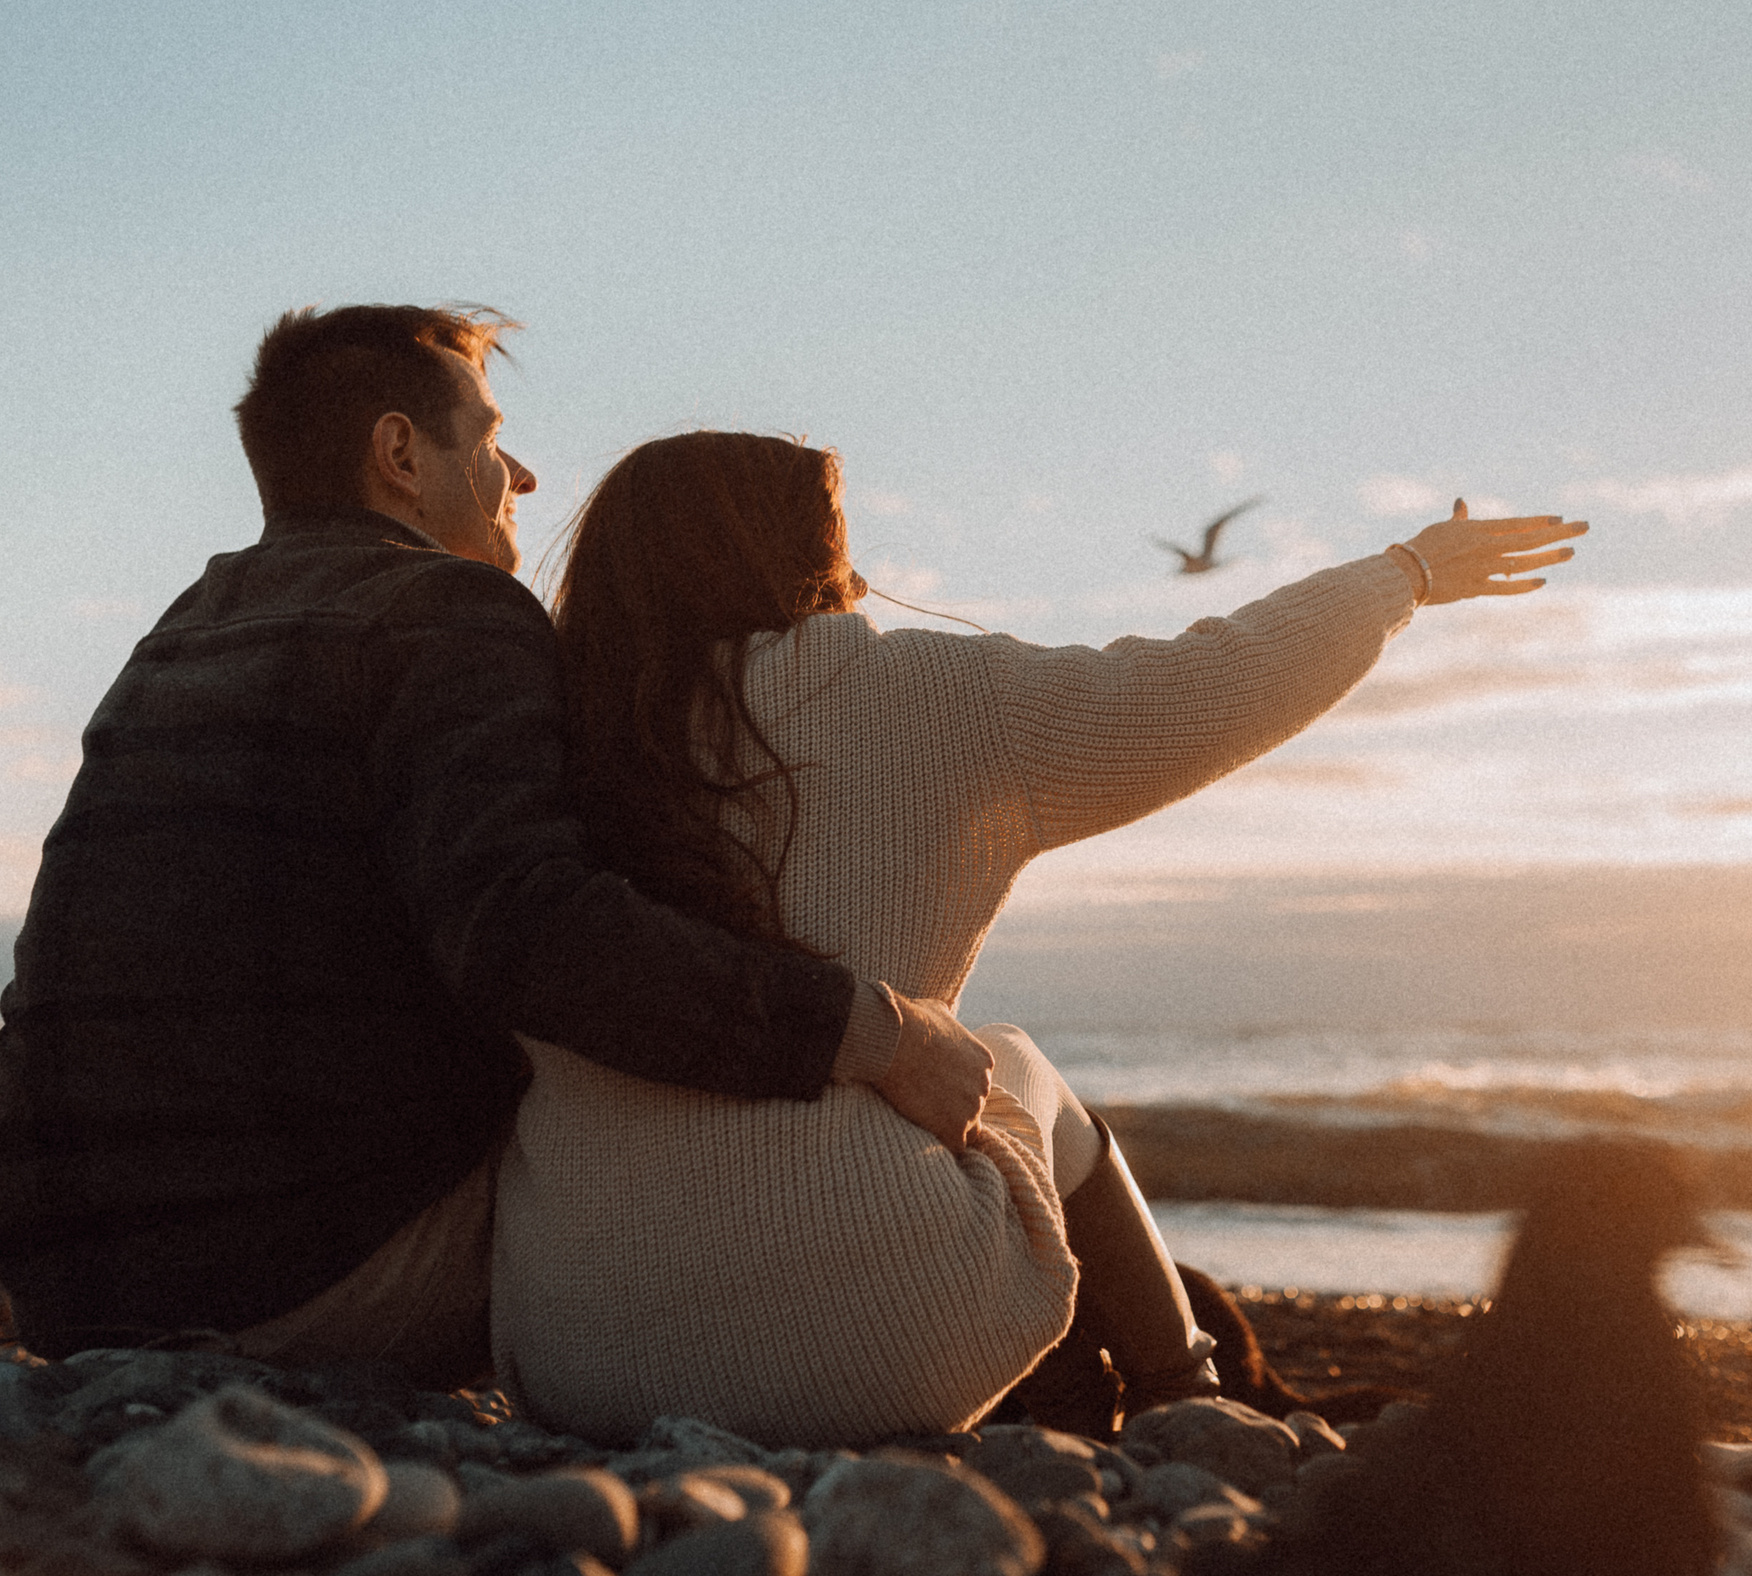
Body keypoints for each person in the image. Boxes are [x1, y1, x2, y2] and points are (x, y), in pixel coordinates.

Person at [491, 431, 1585, 1446]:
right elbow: (1216, 677)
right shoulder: (932, 694)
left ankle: (1118, 1394)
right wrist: (1406, 573)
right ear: (808, 551)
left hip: (576, 1357)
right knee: (1015, 1065)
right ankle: (1186, 1389)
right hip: (875, 1348)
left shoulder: (541, 738)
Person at [0, 307, 989, 1386]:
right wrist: (867, 1034)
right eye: (492, 435)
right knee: (766, 1159)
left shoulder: (183, 631)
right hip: (300, 1284)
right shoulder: (450, 608)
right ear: (401, 453)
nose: (523, 476)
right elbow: (534, 934)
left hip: (70, 1287)